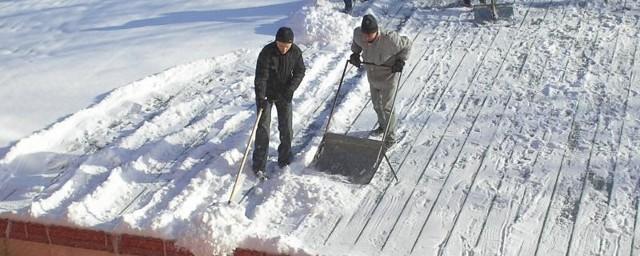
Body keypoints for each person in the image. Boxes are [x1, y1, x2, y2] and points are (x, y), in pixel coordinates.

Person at [349, 14, 411, 148]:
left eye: (369, 35)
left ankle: (390, 137)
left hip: (388, 75)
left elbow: (407, 44)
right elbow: (356, 43)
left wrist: (401, 60)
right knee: (376, 104)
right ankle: (383, 126)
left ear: (376, 31)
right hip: (372, 74)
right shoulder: (358, 34)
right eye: (364, 34)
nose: (366, 38)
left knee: (387, 107)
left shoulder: (390, 39)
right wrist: (355, 54)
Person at [252, 27, 306, 177]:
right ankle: (259, 165)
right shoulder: (266, 52)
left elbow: (300, 72)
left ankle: (285, 159)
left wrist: (291, 89)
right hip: (267, 95)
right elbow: (260, 77)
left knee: (287, 128)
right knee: (263, 129)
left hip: (284, 94)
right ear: (276, 42)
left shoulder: (295, 52)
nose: (283, 49)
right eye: (280, 45)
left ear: (291, 44)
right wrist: (261, 98)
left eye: (286, 46)